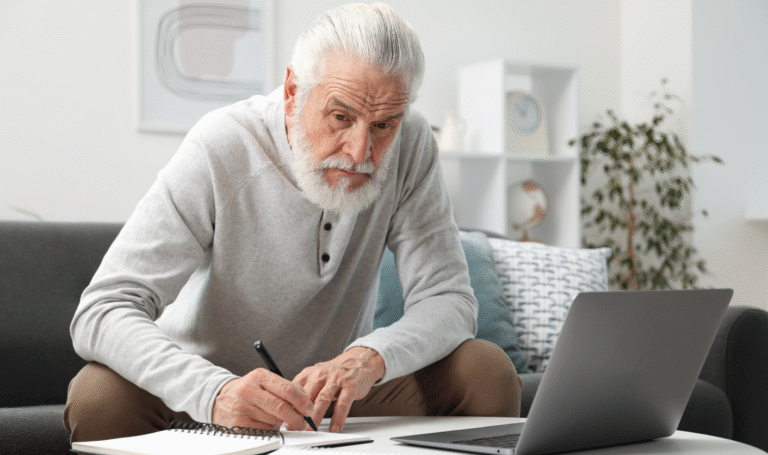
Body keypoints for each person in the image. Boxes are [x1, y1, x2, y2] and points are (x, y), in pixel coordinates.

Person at [64, 2, 522, 443]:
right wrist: (212, 392)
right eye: (341, 117)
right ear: (292, 92)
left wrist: (369, 357)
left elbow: (448, 299)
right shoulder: (220, 145)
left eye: (384, 125)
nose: (361, 152)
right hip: (203, 392)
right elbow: (103, 309)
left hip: (334, 398)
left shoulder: (413, 143)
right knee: (98, 396)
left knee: (483, 371)